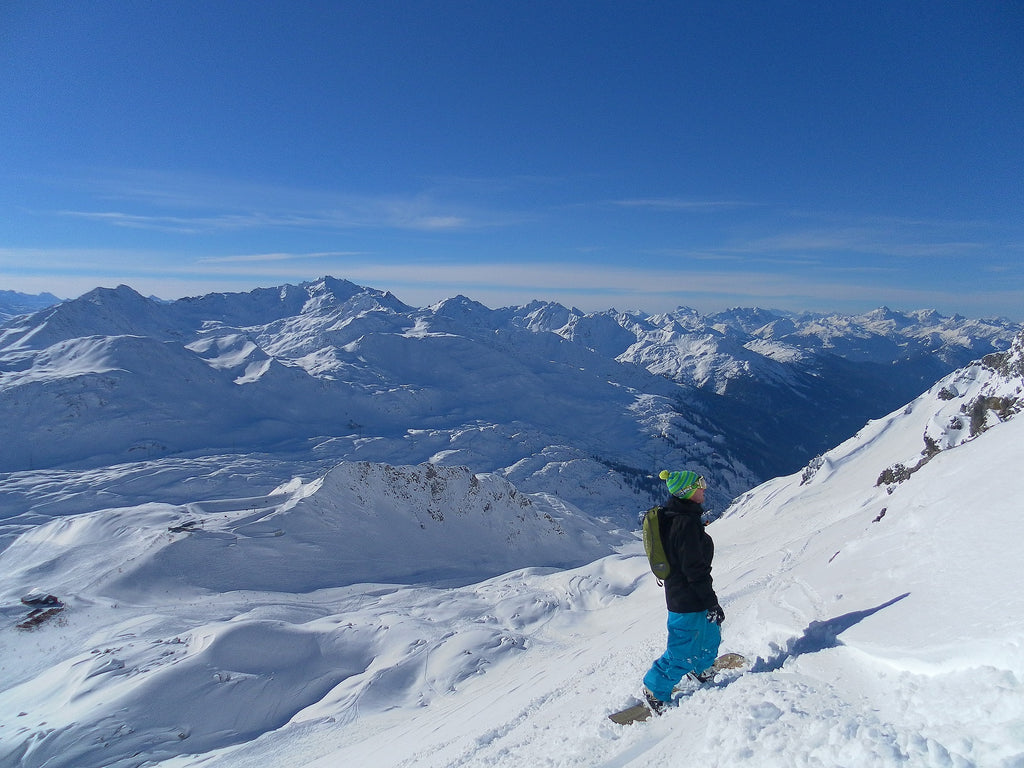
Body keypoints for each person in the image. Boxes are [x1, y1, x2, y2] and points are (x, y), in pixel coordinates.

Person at [642, 469, 725, 714]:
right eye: (700, 484)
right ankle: (654, 689)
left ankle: (700, 668)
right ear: (687, 491)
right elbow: (694, 570)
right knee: (682, 649)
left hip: (693, 594)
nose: (704, 488)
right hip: (685, 598)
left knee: (710, 634)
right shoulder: (683, 523)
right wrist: (711, 602)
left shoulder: (684, 516)